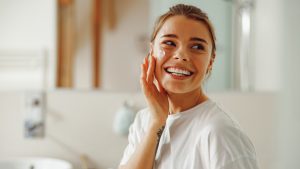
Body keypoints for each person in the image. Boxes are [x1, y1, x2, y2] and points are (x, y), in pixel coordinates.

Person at [119, 4, 259, 169]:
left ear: (210, 62)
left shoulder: (219, 133)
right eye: (169, 43)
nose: (181, 55)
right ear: (152, 51)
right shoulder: (144, 121)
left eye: (197, 47)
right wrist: (157, 123)